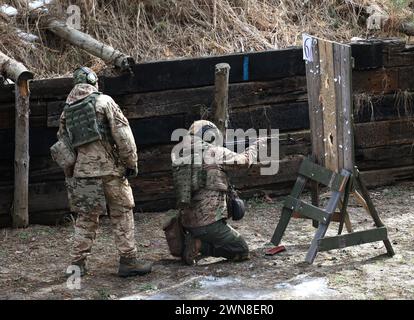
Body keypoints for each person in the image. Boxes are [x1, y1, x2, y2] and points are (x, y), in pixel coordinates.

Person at [56, 66, 151, 277]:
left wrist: (71, 173)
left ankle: (77, 265)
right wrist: (131, 163)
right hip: (110, 171)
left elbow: (63, 144)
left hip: (83, 173)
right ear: (93, 81)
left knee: (86, 219)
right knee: (122, 214)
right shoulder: (105, 102)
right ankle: (128, 261)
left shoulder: (66, 111)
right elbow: (124, 136)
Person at [171, 120, 265, 265]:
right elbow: (244, 161)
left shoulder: (180, 156)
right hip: (208, 223)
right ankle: (198, 245)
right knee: (241, 250)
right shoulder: (214, 153)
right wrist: (256, 146)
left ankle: (195, 240)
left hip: (186, 222)